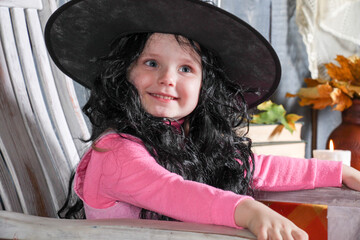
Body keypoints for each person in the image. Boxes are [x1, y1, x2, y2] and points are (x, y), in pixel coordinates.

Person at [45, 0, 360, 239]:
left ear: (203, 87)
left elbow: (253, 167)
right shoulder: (115, 152)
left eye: (186, 69)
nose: (168, 79)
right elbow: (173, 191)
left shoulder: (185, 138)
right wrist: (246, 209)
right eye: (151, 63)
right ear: (124, 73)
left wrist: (338, 171)